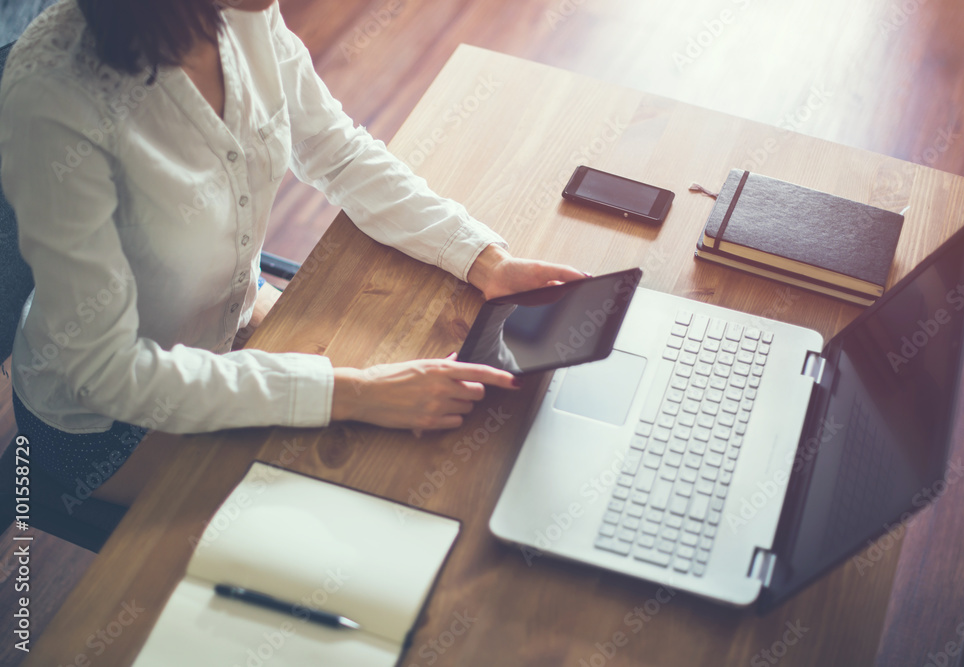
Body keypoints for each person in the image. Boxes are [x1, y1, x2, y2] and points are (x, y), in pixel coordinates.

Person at [0, 0, 585, 504]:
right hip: (105, 422)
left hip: (231, 317)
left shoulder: (245, 14)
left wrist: (485, 261)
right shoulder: (53, 99)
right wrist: (354, 393)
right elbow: (105, 373)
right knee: (346, 490)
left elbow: (337, 151)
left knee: (430, 425)